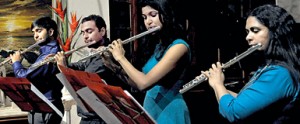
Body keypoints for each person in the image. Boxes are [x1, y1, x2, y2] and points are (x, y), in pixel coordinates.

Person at [201, 4, 300, 123]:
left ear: (275, 32)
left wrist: (218, 85)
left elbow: (234, 113)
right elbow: (244, 102)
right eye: (247, 31)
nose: (248, 37)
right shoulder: (268, 67)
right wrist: (215, 84)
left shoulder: (279, 73)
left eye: (255, 31)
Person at [107, 0, 191, 123]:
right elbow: (137, 84)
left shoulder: (179, 47)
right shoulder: (158, 47)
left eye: (153, 15)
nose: (148, 21)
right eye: (144, 17)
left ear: (166, 14)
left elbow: (144, 83)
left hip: (170, 112)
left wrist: (121, 58)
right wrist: (113, 66)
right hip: (152, 109)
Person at [54, 14, 129, 124]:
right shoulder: (95, 52)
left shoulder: (108, 54)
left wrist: (63, 67)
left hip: (101, 118)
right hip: (91, 116)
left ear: (102, 31)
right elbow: (81, 66)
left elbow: (85, 76)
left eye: (89, 31)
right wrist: (61, 61)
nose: (85, 36)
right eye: (83, 33)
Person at [10, 16, 64, 124]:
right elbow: (39, 74)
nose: (35, 36)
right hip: (43, 106)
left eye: (39, 31)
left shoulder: (50, 54)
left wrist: (16, 63)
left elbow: (23, 77)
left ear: (50, 31)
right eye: (33, 32)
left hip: (47, 107)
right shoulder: (46, 51)